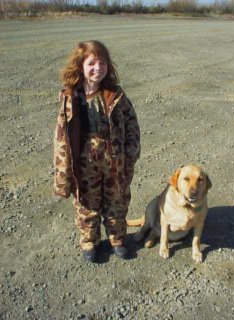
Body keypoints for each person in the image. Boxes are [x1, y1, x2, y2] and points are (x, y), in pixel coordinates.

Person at [53, 40, 140, 262]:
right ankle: (89, 242)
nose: (97, 68)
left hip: (114, 159)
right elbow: (61, 137)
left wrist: (130, 153)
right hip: (84, 162)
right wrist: (62, 173)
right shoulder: (70, 97)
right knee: (87, 203)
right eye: (91, 63)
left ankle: (117, 239)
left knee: (117, 199)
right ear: (81, 65)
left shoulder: (115, 94)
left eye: (102, 63)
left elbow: (132, 124)